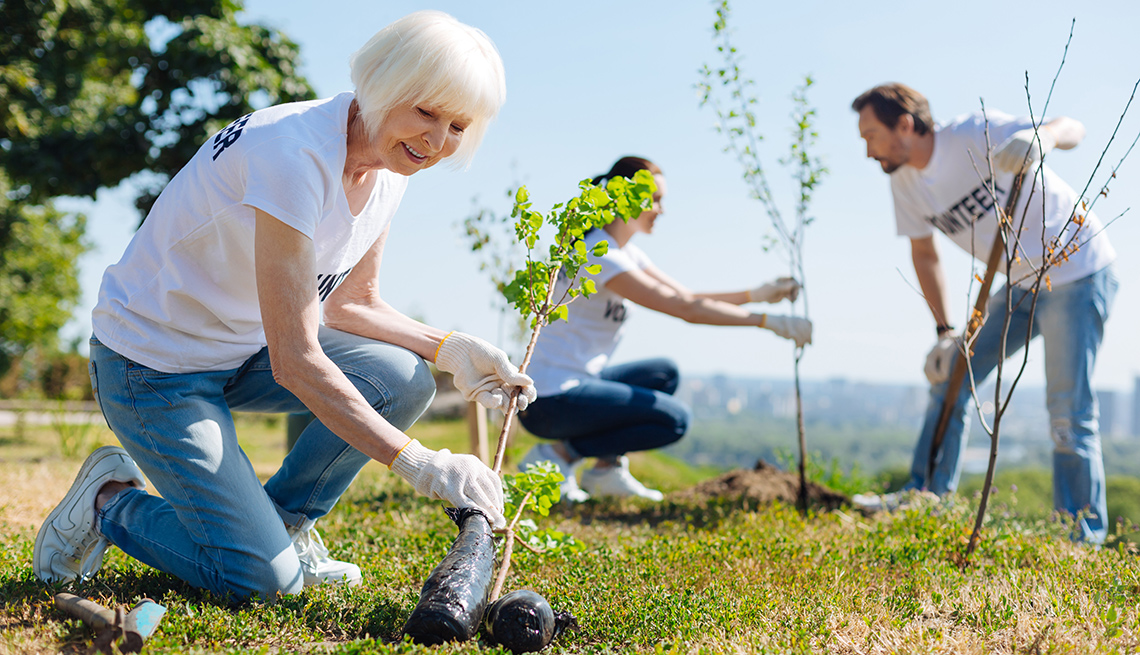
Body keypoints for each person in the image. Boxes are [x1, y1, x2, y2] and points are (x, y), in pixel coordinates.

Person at [33, 10, 537, 600]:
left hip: (242, 350)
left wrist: (451, 349)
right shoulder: (292, 155)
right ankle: (108, 503)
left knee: (403, 378)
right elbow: (296, 360)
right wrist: (421, 465)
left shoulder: (388, 167)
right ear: (381, 85)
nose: (436, 140)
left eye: (457, 125)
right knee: (260, 583)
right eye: (425, 111)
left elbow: (352, 305)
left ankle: (286, 527)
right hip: (152, 369)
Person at [850, 83, 1118, 542]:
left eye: (871, 135)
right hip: (1018, 284)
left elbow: (1074, 127)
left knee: (1068, 411)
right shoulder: (905, 183)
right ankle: (925, 495)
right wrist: (943, 331)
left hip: (1076, 272)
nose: (867, 151)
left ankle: (1080, 536)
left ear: (905, 124)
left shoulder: (974, 133)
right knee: (954, 371)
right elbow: (925, 254)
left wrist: (1043, 137)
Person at [516, 156, 813, 503]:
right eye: (654, 200)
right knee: (674, 420)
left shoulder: (623, 252)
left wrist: (757, 294)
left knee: (663, 373)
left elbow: (684, 296)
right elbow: (685, 310)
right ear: (623, 197)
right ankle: (558, 455)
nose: (662, 209)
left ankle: (605, 471)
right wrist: (769, 323)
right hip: (548, 402)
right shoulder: (602, 256)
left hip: (577, 383)